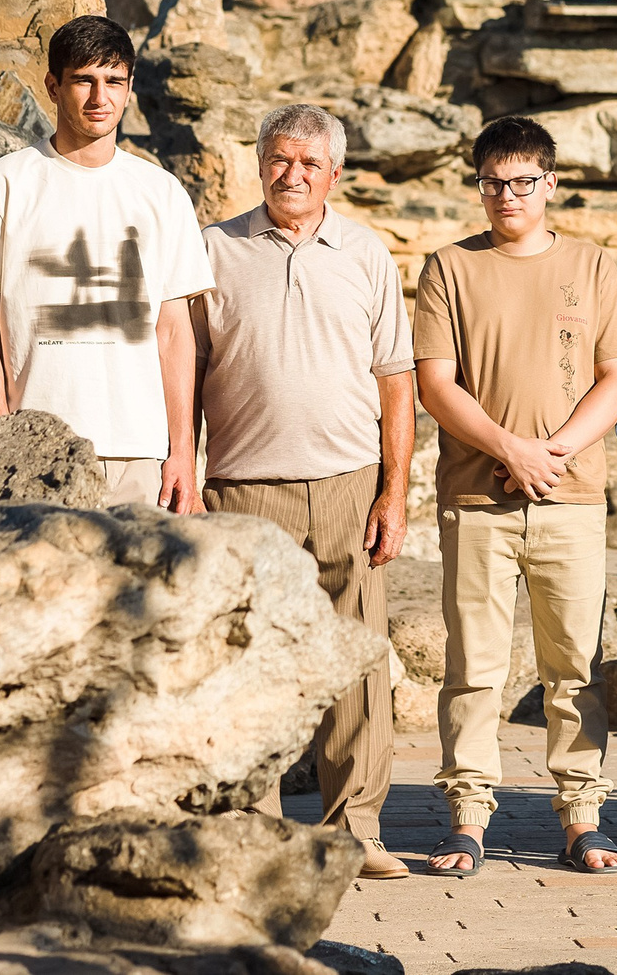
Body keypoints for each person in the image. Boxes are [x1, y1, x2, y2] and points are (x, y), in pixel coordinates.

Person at [413, 116, 617, 875]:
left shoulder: (592, 262)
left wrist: (553, 452)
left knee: (575, 664)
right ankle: (468, 817)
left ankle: (583, 817)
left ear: (549, 184)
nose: (506, 196)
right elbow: (437, 383)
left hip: (571, 497)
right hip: (478, 498)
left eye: (522, 182)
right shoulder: (449, 266)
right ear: (478, 186)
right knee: (472, 664)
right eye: (491, 182)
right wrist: (509, 448)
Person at [193, 104, 416, 880]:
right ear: (260, 163)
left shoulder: (366, 252)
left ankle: (354, 829)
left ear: (335, 174)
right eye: (280, 160)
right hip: (239, 490)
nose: (293, 175)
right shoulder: (213, 250)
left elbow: (397, 382)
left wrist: (395, 491)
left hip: (349, 485)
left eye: (309, 164)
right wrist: (183, 476)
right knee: (248, 661)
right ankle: (254, 831)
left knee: (356, 660)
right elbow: (183, 373)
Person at [0, 15, 213, 511]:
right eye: (84, 80)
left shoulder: (161, 192)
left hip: (141, 455)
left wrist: (182, 453)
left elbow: (175, 333)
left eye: (114, 81)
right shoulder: (3, 184)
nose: (100, 97)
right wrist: (2, 434)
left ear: (130, 87)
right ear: (53, 85)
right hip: (37, 448)